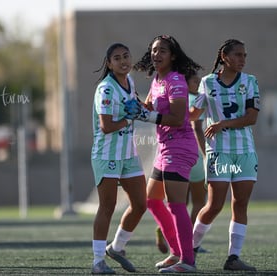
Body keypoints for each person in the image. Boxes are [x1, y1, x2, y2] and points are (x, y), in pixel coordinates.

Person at [124, 34, 202, 273]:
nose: (157, 54)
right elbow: (149, 107)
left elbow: (179, 119)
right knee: (151, 200)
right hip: (165, 147)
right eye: (154, 50)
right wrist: (136, 105)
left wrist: (147, 115)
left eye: (163, 51)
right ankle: (177, 252)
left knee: (177, 205)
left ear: (173, 56)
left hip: (180, 147)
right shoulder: (157, 78)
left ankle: (187, 261)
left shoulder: (176, 80)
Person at [190, 38, 260, 271]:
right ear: (224, 57)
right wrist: (168, 103)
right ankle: (188, 251)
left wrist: (223, 124)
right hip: (219, 152)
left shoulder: (250, 81)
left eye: (245, 55)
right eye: (238, 55)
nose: (243, 59)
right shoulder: (207, 82)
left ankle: (233, 258)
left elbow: (252, 118)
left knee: (240, 205)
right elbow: (194, 115)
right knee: (214, 205)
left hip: (245, 152)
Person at [91, 43, 147, 274]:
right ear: (109, 63)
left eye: (126, 56)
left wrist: (146, 109)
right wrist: (129, 117)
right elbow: (106, 127)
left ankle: (116, 247)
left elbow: (136, 108)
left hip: (129, 154)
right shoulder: (106, 88)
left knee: (141, 205)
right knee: (107, 206)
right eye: (117, 58)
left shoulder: (130, 81)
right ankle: (97, 261)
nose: (123, 61)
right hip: (107, 155)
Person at [154, 69, 208, 255]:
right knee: (199, 202)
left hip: (175, 152)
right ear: (186, 82)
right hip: (192, 155)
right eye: (195, 80)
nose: (198, 84)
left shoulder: (176, 95)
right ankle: (189, 244)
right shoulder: (193, 98)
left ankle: (167, 232)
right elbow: (197, 127)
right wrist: (206, 154)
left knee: (179, 204)